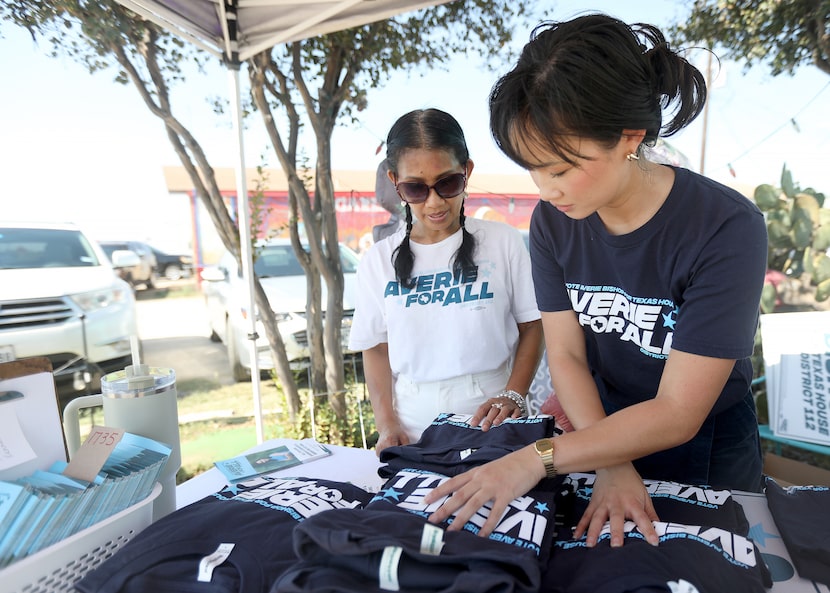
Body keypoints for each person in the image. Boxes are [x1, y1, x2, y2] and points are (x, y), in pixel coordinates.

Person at [424, 14, 768, 549]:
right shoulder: (552, 223)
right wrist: (608, 459)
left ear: (628, 138)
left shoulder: (725, 228)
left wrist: (538, 459)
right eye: (532, 170)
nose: (546, 190)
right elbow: (566, 356)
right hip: (596, 425)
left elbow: (679, 411)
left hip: (705, 446)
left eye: (560, 170)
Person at [348, 108, 544, 453]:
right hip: (411, 423)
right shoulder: (378, 261)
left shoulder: (503, 242)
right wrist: (387, 423)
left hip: (490, 417)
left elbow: (533, 325)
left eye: (448, 183)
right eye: (415, 188)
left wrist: (514, 393)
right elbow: (377, 349)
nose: (435, 202)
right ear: (396, 182)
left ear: (467, 171)